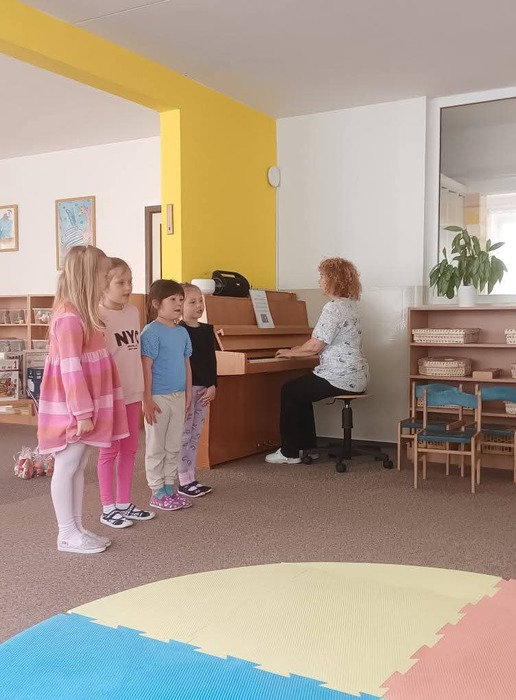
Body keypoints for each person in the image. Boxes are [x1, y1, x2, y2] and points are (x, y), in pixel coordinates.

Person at [37, 246, 129, 554]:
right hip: (74, 407)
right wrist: (82, 413)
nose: (105, 280)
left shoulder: (83, 314)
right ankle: (66, 533)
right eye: (103, 275)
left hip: (87, 403)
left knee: (78, 464)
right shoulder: (68, 318)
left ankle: (75, 527)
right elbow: (70, 370)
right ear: (88, 277)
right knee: (68, 464)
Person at [265, 257, 369, 464]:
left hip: (340, 376)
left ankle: (289, 452)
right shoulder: (351, 306)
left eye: (322, 276)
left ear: (333, 279)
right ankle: (307, 448)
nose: (320, 281)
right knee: (301, 390)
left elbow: (315, 346)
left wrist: (290, 353)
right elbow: (319, 343)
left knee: (290, 390)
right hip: (357, 376)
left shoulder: (333, 308)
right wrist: (297, 350)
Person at [97, 258, 155, 529]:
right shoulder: (97, 315)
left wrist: (144, 392)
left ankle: (123, 503)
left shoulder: (133, 311)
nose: (128, 287)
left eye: (130, 281)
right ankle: (107, 507)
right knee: (109, 451)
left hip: (133, 390)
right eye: (120, 282)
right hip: (111, 396)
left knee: (130, 449)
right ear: (104, 284)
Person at [141, 279, 193, 511]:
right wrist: (146, 399)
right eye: (172, 299)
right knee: (156, 447)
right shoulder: (151, 332)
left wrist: (188, 394)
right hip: (158, 398)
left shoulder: (182, 333)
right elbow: (146, 368)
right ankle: (157, 491)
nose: (178, 304)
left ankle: (170, 488)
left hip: (179, 396)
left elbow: (187, 365)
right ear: (156, 304)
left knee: (173, 445)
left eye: (181, 299)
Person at [177, 283, 216, 497]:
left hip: (203, 390)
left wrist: (213, 385)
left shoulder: (207, 330)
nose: (199, 305)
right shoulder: (179, 331)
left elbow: (211, 361)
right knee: (184, 434)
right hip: (186, 390)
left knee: (195, 435)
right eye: (192, 302)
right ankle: (183, 479)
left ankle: (191, 477)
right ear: (180, 305)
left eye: (200, 300)